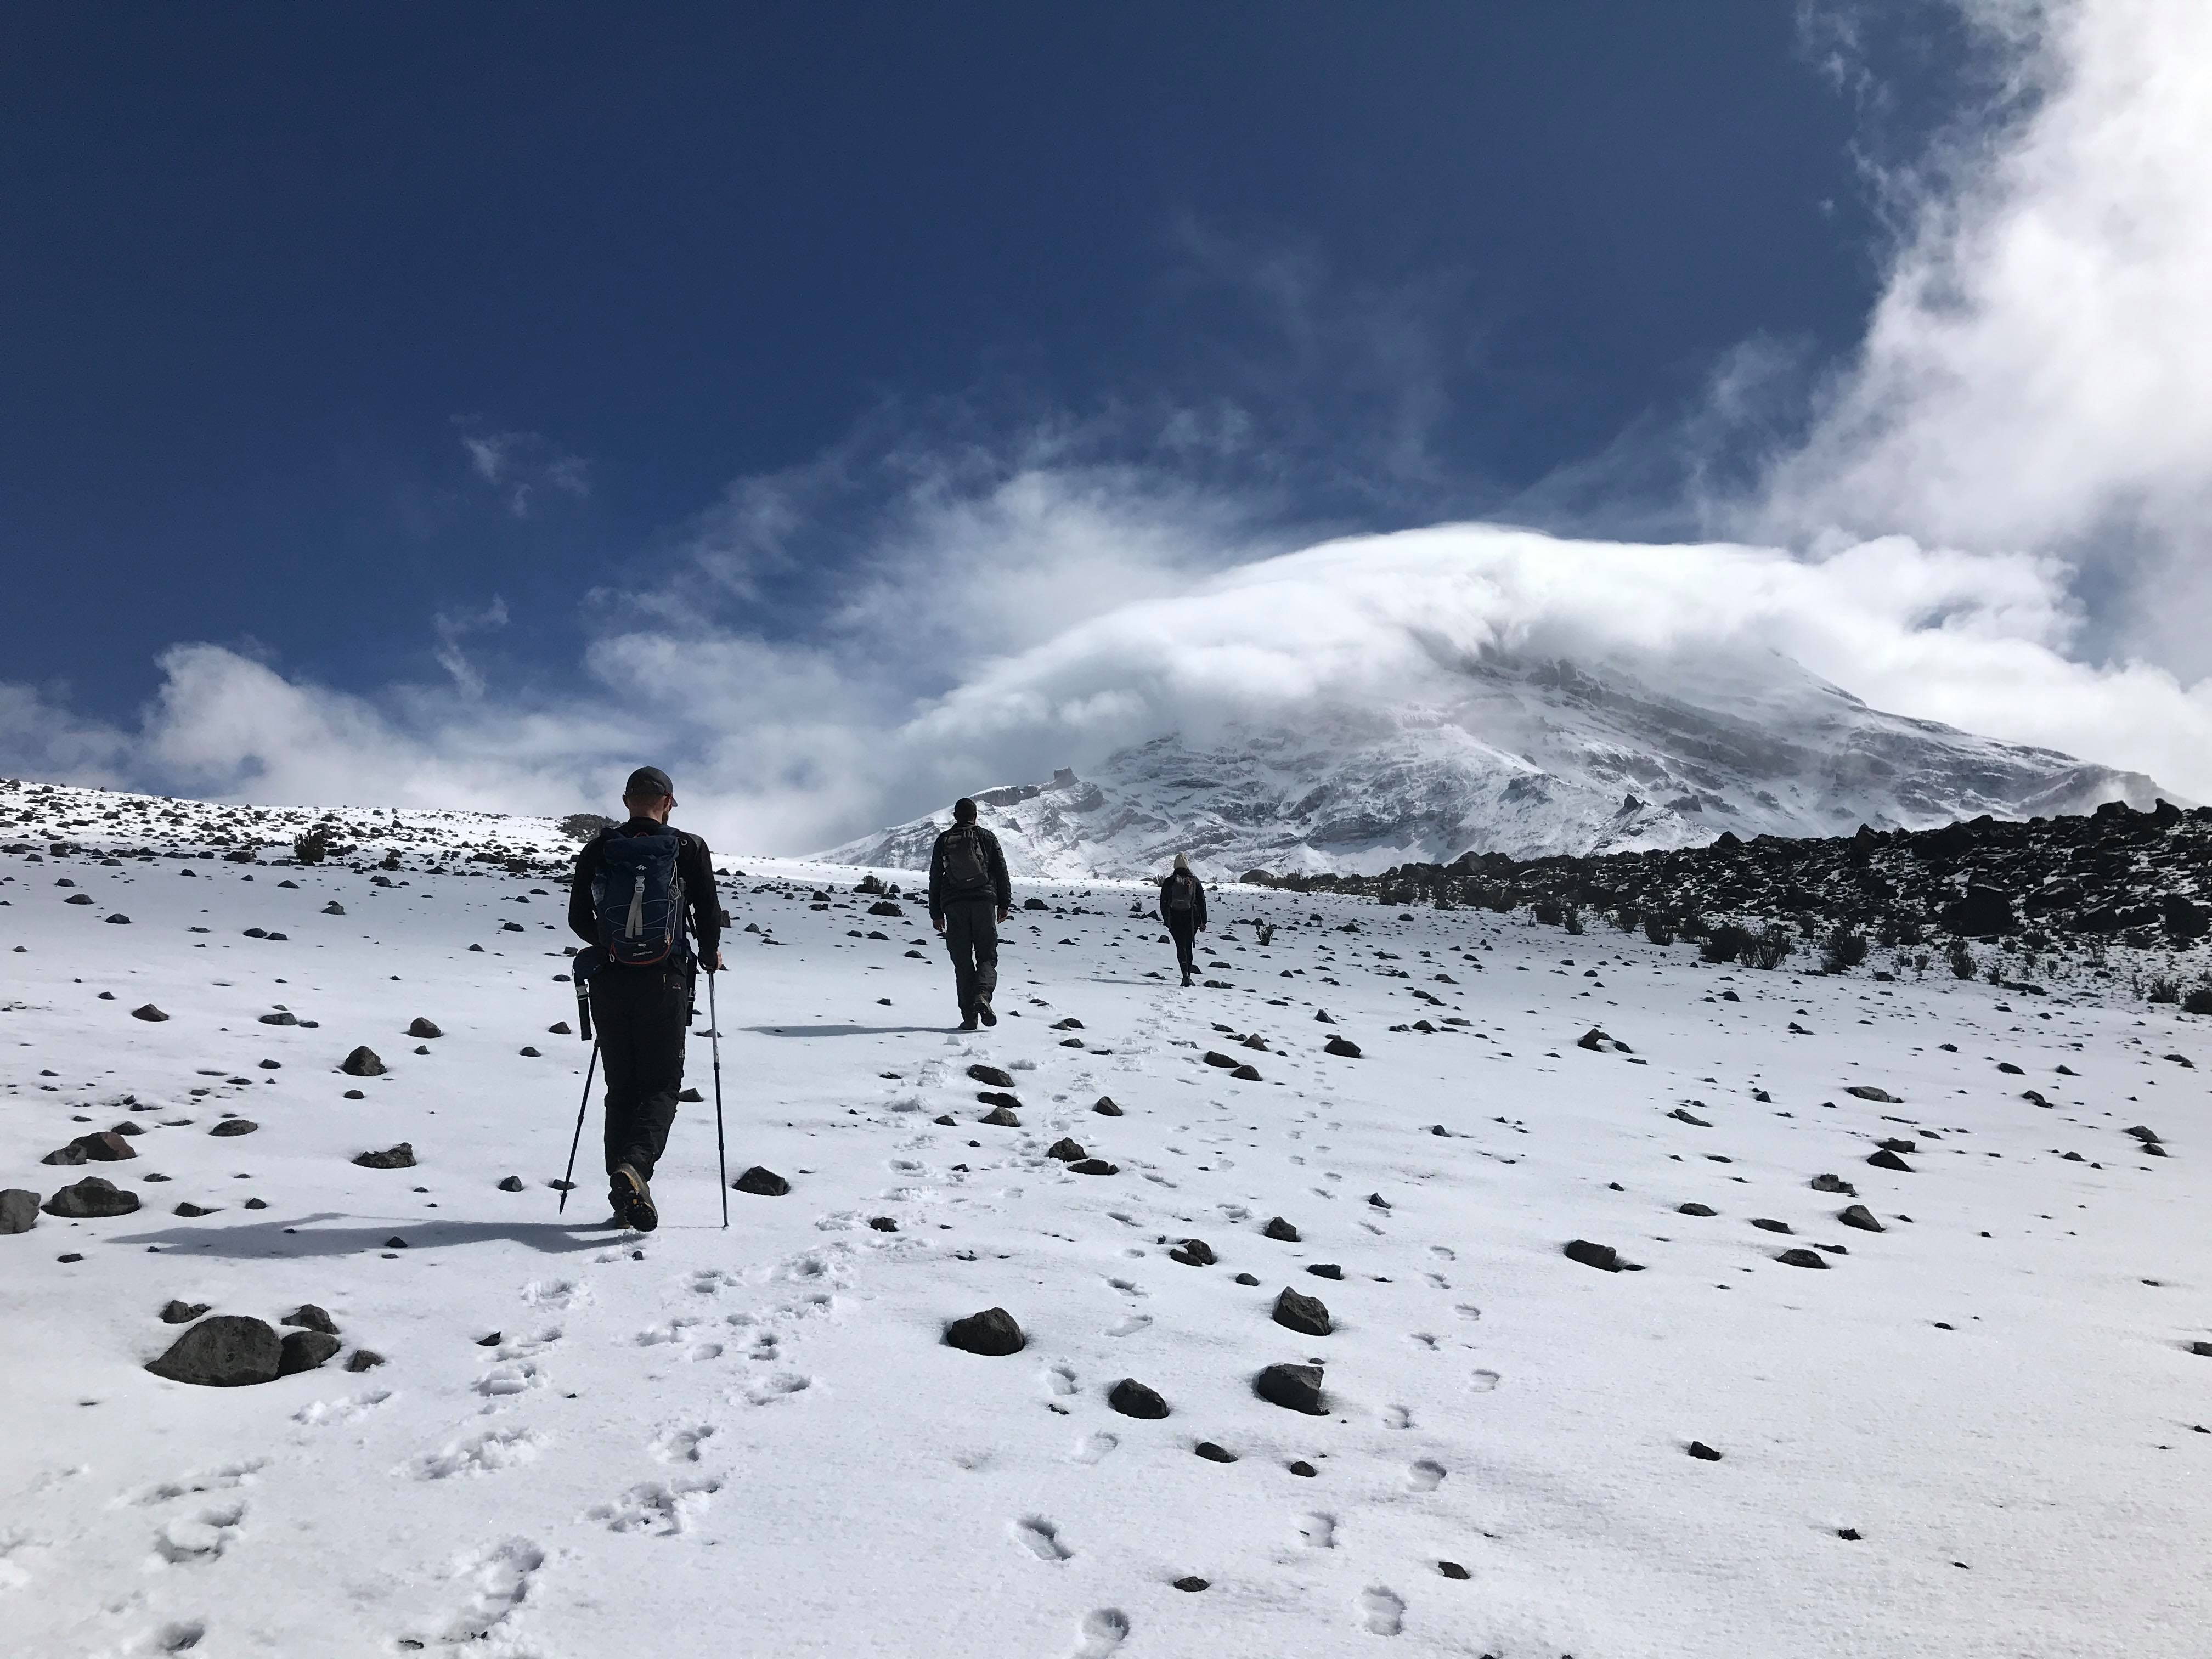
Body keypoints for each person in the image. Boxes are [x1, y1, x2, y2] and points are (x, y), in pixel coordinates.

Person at [567, 766, 723, 1232]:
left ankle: (624, 1197)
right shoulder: (688, 847)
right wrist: (710, 952)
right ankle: (634, 1168)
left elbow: (578, 917)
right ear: (669, 802)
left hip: (611, 983)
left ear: (626, 800)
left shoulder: (600, 848)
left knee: (622, 1089)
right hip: (666, 981)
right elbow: (707, 909)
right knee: (661, 1085)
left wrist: (612, 947)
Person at [927, 797, 1012, 1030]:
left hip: (954, 906)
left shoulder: (944, 840)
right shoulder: (987, 837)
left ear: (955, 816)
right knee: (987, 956)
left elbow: (936, 877)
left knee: (963, 962)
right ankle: (982, 996)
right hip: (984, 902)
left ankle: (969, 1018)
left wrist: (936, 913)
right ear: (975, 816)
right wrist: (1004, 904)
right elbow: (1001, 871)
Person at [1158, 853, 1207, 986]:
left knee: (1180, 947)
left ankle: (1185, 974)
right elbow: (1202, 902)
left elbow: (1163, 902)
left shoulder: (1170, 882)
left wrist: (1167, 921)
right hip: (1192, 918)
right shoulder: (1195, 881)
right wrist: (1204, 922)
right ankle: (1188, 976)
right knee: (1188, 946)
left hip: (1174, 918)